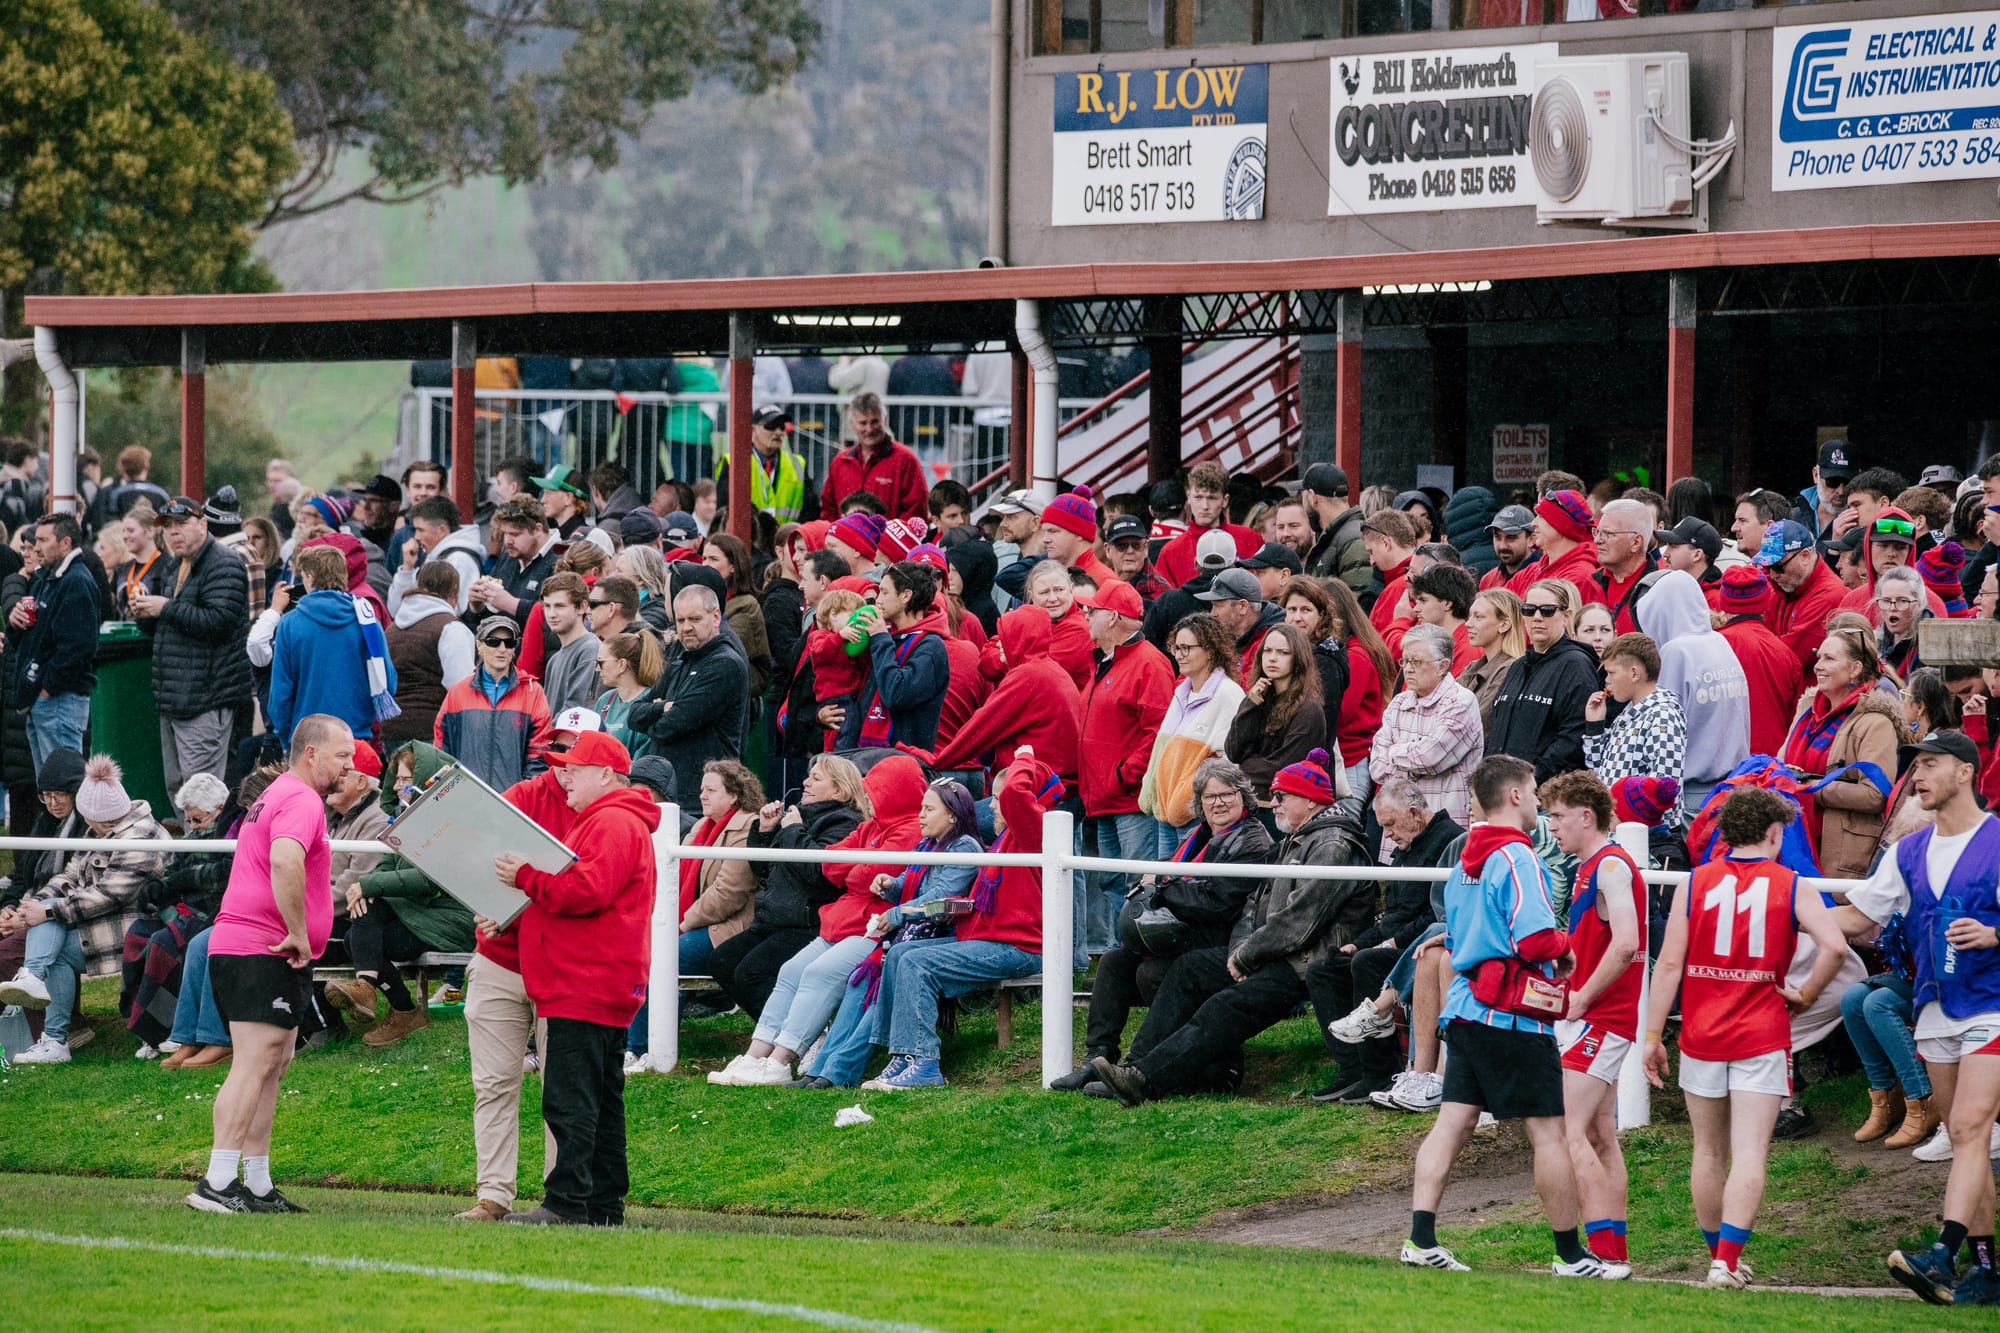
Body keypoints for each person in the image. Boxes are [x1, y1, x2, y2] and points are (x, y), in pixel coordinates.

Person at [1401, 754, 1617, 1278]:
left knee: (1453, 1122)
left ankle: (1420, 1240)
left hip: (1466, 1008)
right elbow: (1536, 935)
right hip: (1512, 1016)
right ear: (1516, 795)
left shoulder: (1463, 858)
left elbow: (1456, 931)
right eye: (1535, 788)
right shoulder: (1518, 856)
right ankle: (1569, 1254)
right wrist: (1564, 947)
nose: (1540, 798)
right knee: (1548, 1131)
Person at [1644, 788, 1852, 1289]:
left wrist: (1652, 1034)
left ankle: (1718, 1257)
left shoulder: (1696, 882)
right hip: (1761, 1031)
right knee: (1750, 1152)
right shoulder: (1792, 884)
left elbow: (1669, 964)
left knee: (1707, 1150)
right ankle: (1727, 1263)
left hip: (1700, 1032)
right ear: (1776, 834)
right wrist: (1805, 992)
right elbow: (1837, 946)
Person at [1822, 730, 2000, 1305]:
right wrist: (1786, 913)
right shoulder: (1908, 851)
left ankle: (1941, 1253)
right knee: (1966, 1140)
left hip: (1992, 1008)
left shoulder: (1998, 839)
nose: (1917, 777)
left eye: (1929, 765)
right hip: (1935, 1011)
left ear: (1966, 772)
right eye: (1914, 766)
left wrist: (1995, 933)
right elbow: (1856, 919)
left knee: (1971, 1128)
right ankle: (1988, 1271)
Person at [1088, 749, 1373, 1106]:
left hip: (1305, 963)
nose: (1275, 804)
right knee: (1186, 969)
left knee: (1223, 1007)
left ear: (1311, 800)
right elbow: (1255, 907)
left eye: (1282, 796)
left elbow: (1299, 921)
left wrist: (1247, 955)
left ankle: (1152, 1079)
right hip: (1276, 954)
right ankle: (1134, 1067)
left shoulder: (1330, 844)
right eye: (1275, 795)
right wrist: (1241, 952)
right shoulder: (1298, 837)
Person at [181, 716, 353, 1213]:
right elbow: (284, 860)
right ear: (312, 754)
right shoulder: (300, 798)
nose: (351, 764)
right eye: (342, 755)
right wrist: (298, 932)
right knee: (255, 1062)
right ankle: (216, 1180)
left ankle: (255, 1182)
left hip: (252, 946)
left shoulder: (279, 793)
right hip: (262, 947)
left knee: (273, 1063)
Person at [492, 731, 660, 1227]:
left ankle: (567, 1203)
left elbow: (588, 890)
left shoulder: (610, 821)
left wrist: (525, 877)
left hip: (584, 980)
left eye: (575, 768)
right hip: (597, 980)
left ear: (605, 775)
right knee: (600, 1099)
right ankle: (601, 1205)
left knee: (572, 1099)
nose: (563, 777)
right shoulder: (615, 820)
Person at [858, 754, 1062, 1090]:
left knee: (918, 963)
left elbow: (1015, 794)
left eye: (997, 799)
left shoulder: (1032, 832)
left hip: (1018, 946)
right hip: (992, 938)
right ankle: (903, 1057)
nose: (992, 807)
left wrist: (1026, 758)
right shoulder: (1007, 838)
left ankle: (923, 1063)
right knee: (899, 955)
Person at [726, 754, 926, 1084]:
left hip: (872, 929)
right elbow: (829, 865)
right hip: (843, 921)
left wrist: (855, 869)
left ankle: (781, 1059)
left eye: (876, 792)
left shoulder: (906, 831)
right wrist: (858, 868)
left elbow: (866, 876)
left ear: (895, 793)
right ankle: (755, 1056)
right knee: (791, 971)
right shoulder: (871, 828)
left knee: (819, 974)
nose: (869, 799)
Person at [0, 755, 171, 1064]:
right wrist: (37, 904)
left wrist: (47, 912)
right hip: (101, 928)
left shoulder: (142, 836)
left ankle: (40, 996)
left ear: (96, 815)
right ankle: (54, 1039)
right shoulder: (101, 830)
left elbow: (109, 895)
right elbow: (70, 874)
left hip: (138, 932)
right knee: (53, 943)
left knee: (48, 929)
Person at [1540, 771, 1645, 1274]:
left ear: (1587, 815)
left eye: (1557, 816)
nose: (1551, 825)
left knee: (1567, 1132)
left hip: (1601, 1019)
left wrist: (1581, 997)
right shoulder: (1593, 865)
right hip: (1600, 1016)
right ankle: (1613, 1252)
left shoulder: (1610, 866)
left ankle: (1599, 1254)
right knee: (1601, 1136)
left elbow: (1626, 942)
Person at [1314, 779, 1461, 1105]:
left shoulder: (1448, 842)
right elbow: (1393, 914)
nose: (1387, 834)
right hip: (1403, 940)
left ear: (1414, 813)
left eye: (1391, 825)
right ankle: (1350, 1067)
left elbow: (1434, 913)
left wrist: (1392, 942)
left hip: (1423, 943)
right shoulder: (1405, 846)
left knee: (1366, 962)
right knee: (1325, 968)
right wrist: (1359, 941)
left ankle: (1378, 1071)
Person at [328, 742, 474, 1048]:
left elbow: (428, 879)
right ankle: (391, 1004)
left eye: (405, 779)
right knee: (358, 933)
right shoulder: (408, 819)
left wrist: (367, 886)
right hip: (422, 914)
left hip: (452, 920)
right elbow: (385, 865)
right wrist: (368, 887)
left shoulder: (453, 823)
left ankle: (387, 1000)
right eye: (397, 779)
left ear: (426, 778)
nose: (396, 786)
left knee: (362, 930)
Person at [706, 755, 868, 1026]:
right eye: (808, 776)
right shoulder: (801, 818)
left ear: (839, 790)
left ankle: (798, 1034)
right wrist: (765, 832)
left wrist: (792, 829)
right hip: (774, 919)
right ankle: (781, 1032)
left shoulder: (845, 823)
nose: (805, 782)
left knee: (751, 974)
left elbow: (818, 874)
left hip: (807, 923)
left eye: (816, 778)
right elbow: (763, 870)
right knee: (722, 961)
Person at [1076, 579, 1175, 954]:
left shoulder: (1148, 663)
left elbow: (1158, 732)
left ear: (1114, 616)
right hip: (1105, 798)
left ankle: (1143, 957)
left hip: (1131, 801)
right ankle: (1125, 956)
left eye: (1093, 609)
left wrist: (1123, 775)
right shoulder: (1104, 661)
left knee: (1139, 884)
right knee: (1114, 883)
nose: (1085, 613)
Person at [131, 497, 253, 789]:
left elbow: (219, 622)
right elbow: (167, 627)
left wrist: (164, 608)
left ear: (203, 524)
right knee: (177, 786)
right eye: (168, 526)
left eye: (182, 523)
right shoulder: (176, 565)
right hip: (175, 696)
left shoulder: (225, 563)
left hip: (206, 698)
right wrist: (144, 613)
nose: (174, 532)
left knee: (202, 792)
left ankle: (205, 838)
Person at [1785, 627, 1899, 878]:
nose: (1818, 666)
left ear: (1855, 668)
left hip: (1840, 862)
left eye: (1829, 659)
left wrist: (1810, 788)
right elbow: (1782, 765)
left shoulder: (1876, 723)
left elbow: (1875, 795)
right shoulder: (1807, 714)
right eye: (1819, 657)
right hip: (1795, 845)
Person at [628, 586, 750, 810]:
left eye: (694, 619)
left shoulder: (726, 664)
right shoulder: (679, 662)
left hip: (701, 800)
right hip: (669, 796)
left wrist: (656, 718)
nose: (686, 627)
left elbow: (670, 726)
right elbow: (634, 714)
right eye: (680, 620)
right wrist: (662, 708)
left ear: (715, 617)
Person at [266, 544, 398, 747]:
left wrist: (285, 737)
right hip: (354, 738)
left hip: (307, 740)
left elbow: (281, 693)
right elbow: (388, 682)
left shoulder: (291, 623)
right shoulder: (366, 620)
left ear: (309, 576)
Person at [1139, 613, 1247, 856]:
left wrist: (1189, 800)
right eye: (1175, 647)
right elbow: (1163, 753)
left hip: (1196, 815)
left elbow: (1229, 760)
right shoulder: (1181, 693)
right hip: (1165, 815)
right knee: (1163, 886)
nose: (1178, 655)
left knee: (1185, 886)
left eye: (1186, 648)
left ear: (1209, 650)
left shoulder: (1228, 695)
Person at [1485, 578, 1601, 782]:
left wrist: (1531, 781)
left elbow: (1573, 739)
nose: (1537, 617)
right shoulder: (1517, 666)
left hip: (1544, 796)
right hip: (1502, 792)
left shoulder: (1576, 665)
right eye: (1529, 610)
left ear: (1567, 616)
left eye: (1547, 610)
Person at [12, 514, 101, 772]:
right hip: (45, 701)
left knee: (64, 786)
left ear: (65, 543)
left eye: (42, 540)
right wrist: (18, 622)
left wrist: (47, 689)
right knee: (50, 790)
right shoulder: (49, 578)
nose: (36, 547)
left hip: (60, 700)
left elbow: (78, 647)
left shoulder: (76, 581)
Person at [1371, 623, 1481, 829]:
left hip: (1444, 822)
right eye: (1404, 661)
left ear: (1442, 666)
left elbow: (1430, 757)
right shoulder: (1398, 703)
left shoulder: (1461, 702)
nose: (1408, 669)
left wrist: (1393, 754)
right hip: (1400, 822)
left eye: (1417, 661)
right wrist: (1414, 765)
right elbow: (1376, 766)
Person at [834, 562, 949, 751]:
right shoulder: (888, 638)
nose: (878, 600)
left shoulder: (931, 647)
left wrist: (880, 638)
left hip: (902, 761)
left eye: (885, 592)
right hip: (865, 753)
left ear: (906, 595)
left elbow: (896, 694)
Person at [436, 615, 554, 791]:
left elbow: (538, 754)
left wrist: (526, 796)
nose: (502, 649)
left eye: (509, 642)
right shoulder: (458, 692)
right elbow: (442, 753)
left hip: (513, 804)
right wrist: (450, 792)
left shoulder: (533, 691)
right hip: (466, 800)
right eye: (493, 642)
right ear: (479, 645)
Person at [1225, 623, 1327, 813]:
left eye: (1283, 653)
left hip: (1284, 810)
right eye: (1268, 651)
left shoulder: (1309, 709)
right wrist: (1251, 704)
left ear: (1298, 658)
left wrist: (1242, 769)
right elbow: (1233, 751)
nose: (1272, 658)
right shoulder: (1258, 698)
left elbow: (1284, 767)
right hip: (1250, 804)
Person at [1714, 567, 1806, 758]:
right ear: (1765, 601)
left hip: (1724, 761)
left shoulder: (1714, 646)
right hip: (1771, 763)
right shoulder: (1785, 653)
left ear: (1724, 602)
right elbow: (1795, 716)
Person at [385, 560, 476, 745]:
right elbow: (460, 686)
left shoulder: (392, 629)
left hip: (391, 729)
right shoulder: (451, 628)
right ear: (453, 594)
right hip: (431, 730)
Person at [818, 392, 928, 522]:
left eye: (874, 422)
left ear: (885, 421)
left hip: (888, 541)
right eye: (863, 423)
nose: (869, 429)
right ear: (852, 425)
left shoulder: (905, 460)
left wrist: (890, 539)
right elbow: (828, 509)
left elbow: (916, 511)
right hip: (845, 541)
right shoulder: (840, 462)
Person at [1154, 462, 1263, 590]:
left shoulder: (1250, 538)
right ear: (1189, 497)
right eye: (1199, 497)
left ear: (1225, 500)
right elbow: (1162, 602)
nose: (1205, 506)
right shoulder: (1171, 552)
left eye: (1212, 498)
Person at [1758, 520, 1850, 673]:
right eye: (1767, 567)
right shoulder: (1781, 587)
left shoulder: (1830, 595)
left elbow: (1788, 656)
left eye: (1778, 566)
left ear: (1805, 556)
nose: (1772, 575)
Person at [702, 532, 774, 698]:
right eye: (704, 558)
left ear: (733, 566)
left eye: (713, 559)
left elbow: (723, 647)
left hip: (741, 685)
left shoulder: (745, 604)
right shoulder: (702, 598)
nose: (705, 564)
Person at [390, 497, 486, 617]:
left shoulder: (460, 560)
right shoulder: (433, 556)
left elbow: (459, 613)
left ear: (442, 530)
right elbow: (397, 610)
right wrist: (407, 568)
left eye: (420, 530)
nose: (416, 537)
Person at [1583, 499, 1653, 635]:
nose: (1597, 540)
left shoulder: (1658, 589)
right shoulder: (1590, 584)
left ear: (1636, 542)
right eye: (1596, 532)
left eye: (1608, 534)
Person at [534, 572, 600, 716]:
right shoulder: (554, 660)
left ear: (582, 607)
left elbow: (576, 711)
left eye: (560, 606)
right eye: (547, 606)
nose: (551, 614)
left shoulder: (590, 649)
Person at [1301, 463, 1370, 594]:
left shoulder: (1353, 539)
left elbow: (1359, 607)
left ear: (1312, 496)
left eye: (1302, 497)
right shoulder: (1336, 537)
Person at [593, 630, 664, 758]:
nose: (597, 669)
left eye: (601, 662)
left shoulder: (648, 703)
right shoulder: (605, 700)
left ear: (621, 664)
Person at [1040, 485, 1113, 583]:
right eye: (1045, 532)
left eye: (1053, 531)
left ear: (1079, 534)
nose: (1045, 539)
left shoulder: (1105, 581)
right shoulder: (1054, 576)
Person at [1480, 505, 1537, 590]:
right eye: (1497, 537)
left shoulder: (1543, 577)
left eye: (1511, 537)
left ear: (1531, 540)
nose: (1503, 546)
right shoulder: (1488, 580)